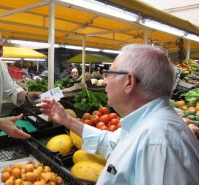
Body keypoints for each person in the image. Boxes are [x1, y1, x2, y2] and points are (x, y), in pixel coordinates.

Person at [39, 44, 199, 185]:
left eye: (109, 74)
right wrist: (67, 120)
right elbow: (111, 143)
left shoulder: (159, 143)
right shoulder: (146, 125)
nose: (105, 81)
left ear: (129, 82)